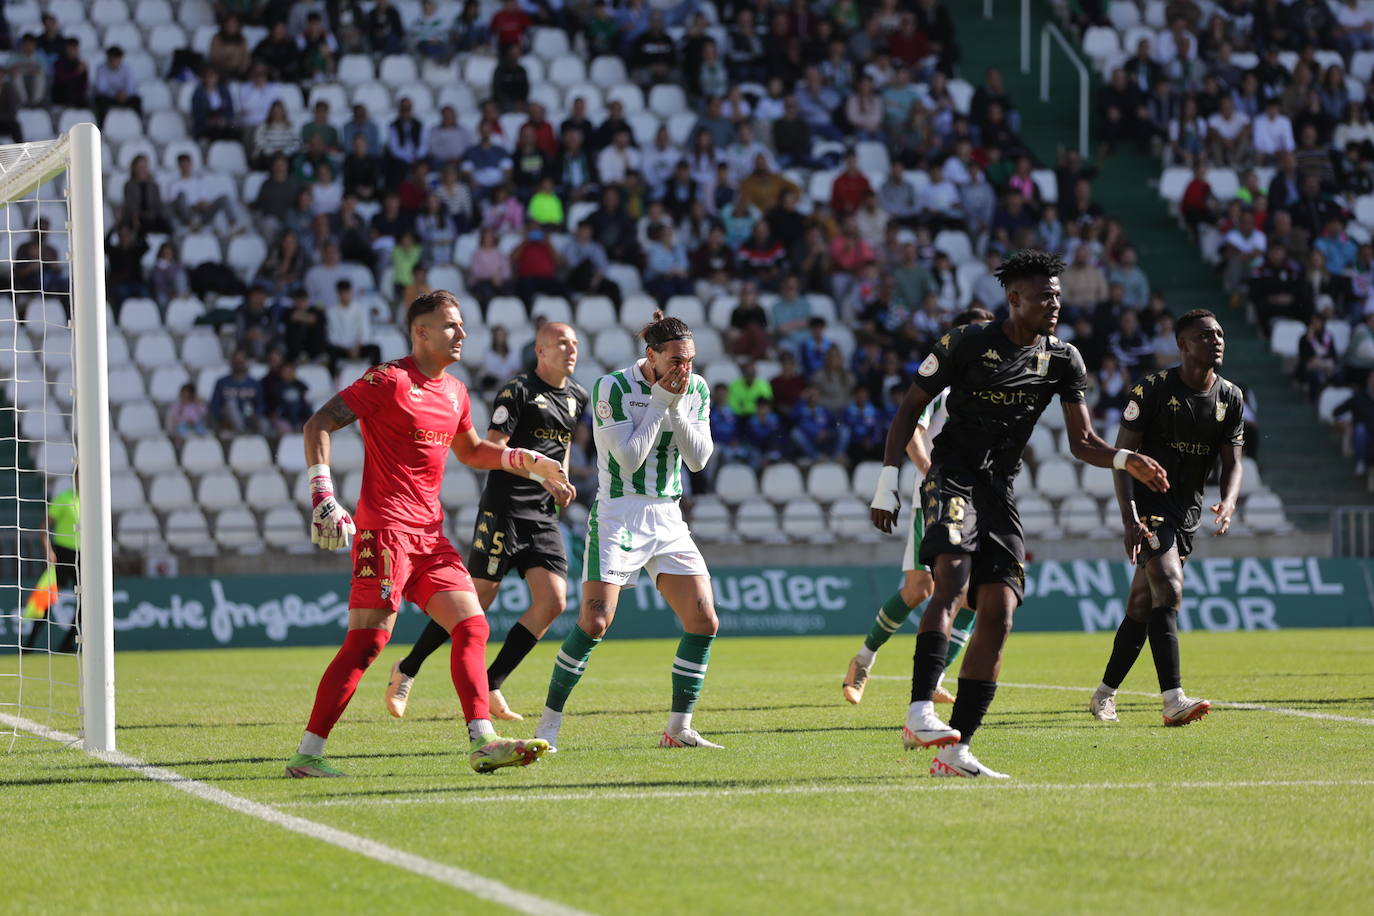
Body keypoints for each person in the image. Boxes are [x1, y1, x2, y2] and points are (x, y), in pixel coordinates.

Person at [869, 250, 1168, 779]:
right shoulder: (964, 343)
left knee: (1001, 611)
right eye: (1044, 295)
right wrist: (887, 484)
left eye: (1057, 293)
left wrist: (1126, 458)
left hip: (998, 490)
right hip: (952, 475)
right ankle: (920, 712)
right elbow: (907, 411)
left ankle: (956, 751)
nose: (1055, 302)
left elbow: (1082, 442)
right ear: (1014, 299)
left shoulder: (1063, 359)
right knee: (953, 583)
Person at [284, 290, 567, 778]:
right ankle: (307, 755)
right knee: (367, 644)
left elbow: (473, 450)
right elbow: (319, 423)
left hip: (430, 536)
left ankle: (483, 742)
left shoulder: (455, 392)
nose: (462, 334)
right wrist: (323, 495)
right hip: (386, 532)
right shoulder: (388, 380)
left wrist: (528, 461)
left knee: (473, 625)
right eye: (451, 326)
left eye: (461, 326)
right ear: (421, 333)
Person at [532, 312, 721, 751]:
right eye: (675, 360)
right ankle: (548, 725)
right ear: (650, 355)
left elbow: (699, 461)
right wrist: (659, 402)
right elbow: (629, 460)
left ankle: (678, 729)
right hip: (619, 514)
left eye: (689, 360)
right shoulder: (612, 387)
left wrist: (672, 403)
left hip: (668, 516)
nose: (684, 369)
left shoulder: (695, 388)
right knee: (595, 621)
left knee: (704, 620)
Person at [384, 323, 588, 720]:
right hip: (504, 508)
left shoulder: (577, 395)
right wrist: (538, 474)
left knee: (553, 602)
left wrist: (558, 480)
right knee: (475, 601)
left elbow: (558, 448)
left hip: (542, 515)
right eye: (562, 343)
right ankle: (406, 669)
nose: (571, 350)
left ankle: (492, 682)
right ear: (541, 351)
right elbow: (493, 448)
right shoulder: (518, 391)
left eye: (575, 343)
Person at [1089, 310, 1243, 726]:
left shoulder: (1230, 397)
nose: (1216, 340)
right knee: (1170, 589)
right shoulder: (1152, 390)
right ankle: (1174, 700)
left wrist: (1228, 501)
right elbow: (1120, 461)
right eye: (1205, 335)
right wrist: (1129, 519)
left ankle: (1103, 694)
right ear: (1183, 344)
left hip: (1187, 513)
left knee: (1142, 606)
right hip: (1150, 507)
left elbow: (1233, 463)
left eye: (1220, 334)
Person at [842, 308, 994, 707]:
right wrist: (930, 472)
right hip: (936, 494)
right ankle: (863, 660)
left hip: (979, 495)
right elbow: (912, 429)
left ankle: (938, 675)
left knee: (975, 595)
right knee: (918, 589)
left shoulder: (993, 385)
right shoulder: (942, 383)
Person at [20, 476, 80, 653]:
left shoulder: (92, 501)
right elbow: (44, 526)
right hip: (62, 553)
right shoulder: (64, 499)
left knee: (86, 602)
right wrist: (49, 550)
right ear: (74, 478)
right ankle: (29, 644)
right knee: (48, 599)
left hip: (83, 555)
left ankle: (68, 642)